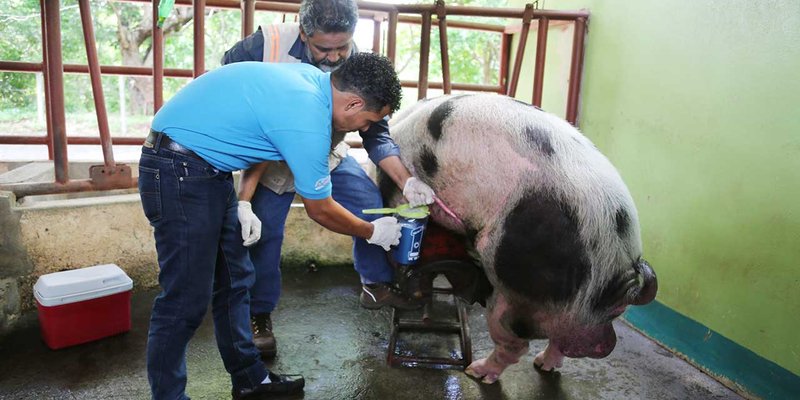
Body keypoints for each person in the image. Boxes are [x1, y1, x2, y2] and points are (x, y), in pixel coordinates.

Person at [138, 53, 404, 400]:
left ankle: (251, 379)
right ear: (353, 102)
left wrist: (243, 200)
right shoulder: (308, 118)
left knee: (235, 282)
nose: (365, 128)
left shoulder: (311, 82)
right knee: (185, 300)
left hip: (205, 169)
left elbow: (260, 135)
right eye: (368, 119)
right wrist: (373, 232)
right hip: (178, 170)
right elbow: (321, 210)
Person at [222, 0, 436, 359]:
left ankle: (375, 284)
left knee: (369, 202)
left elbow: (376, 134)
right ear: (304, 33)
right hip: (269, 163)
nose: (336, 57)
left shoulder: (361, 66)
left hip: (328, 154)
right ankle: (258, 315)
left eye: (344, 47)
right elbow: (229, 91)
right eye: (324, 48)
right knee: (264, 234)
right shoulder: (263, 47)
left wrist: (407, 181)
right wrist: (243, 194)